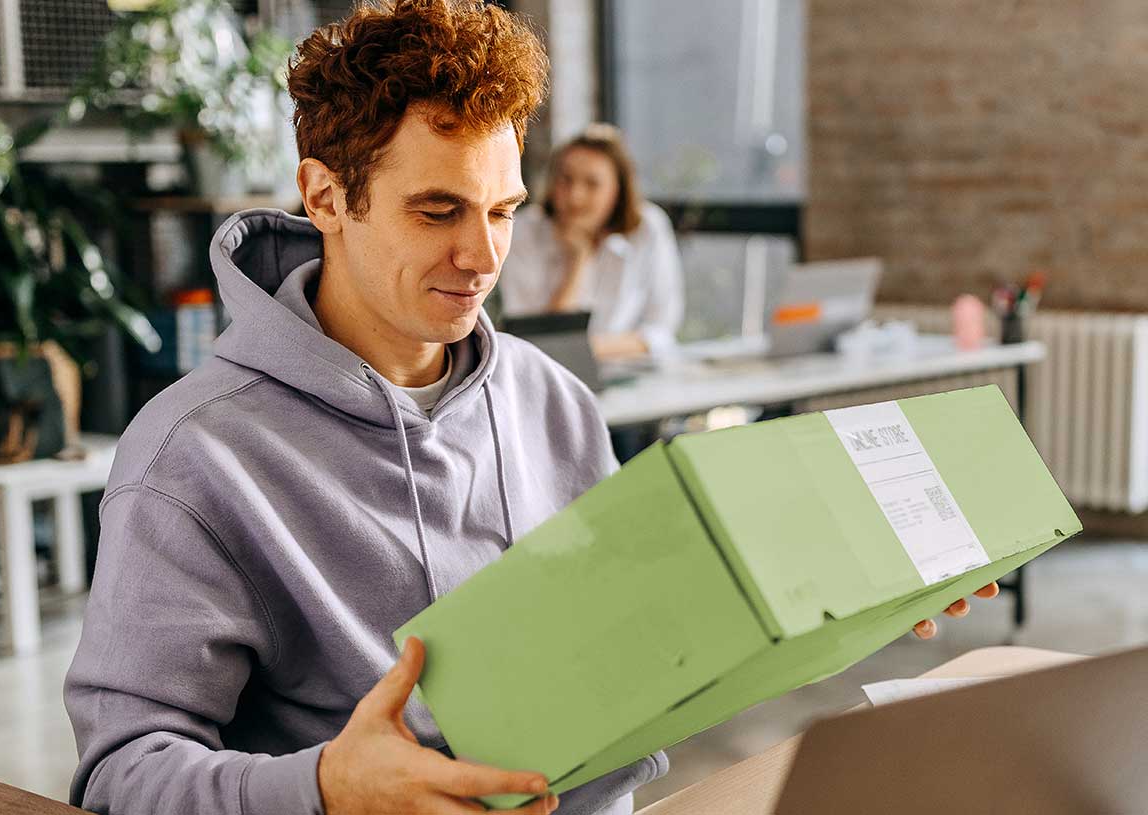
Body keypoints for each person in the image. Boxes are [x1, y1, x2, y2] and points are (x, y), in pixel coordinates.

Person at [64, 2, 997, 814]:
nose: (483, 256)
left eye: (503, 210)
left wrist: (839, 610)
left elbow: (644, 657)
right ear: (325, 195)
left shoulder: (549, 398)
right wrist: (327, 790)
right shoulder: (192, 456)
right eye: (438, 211)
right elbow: (120, 773)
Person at [499, 124, 683, 360]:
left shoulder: (648, 227)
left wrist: (585, 349)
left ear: (617, 190)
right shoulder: (524, 230)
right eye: (565, 180)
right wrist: (577, 261)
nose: (575, 196)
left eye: (592, 184)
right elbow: (534, 339)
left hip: (623, 372)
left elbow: (661, 331)